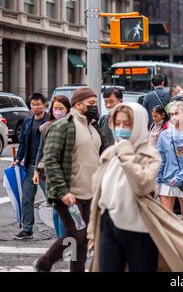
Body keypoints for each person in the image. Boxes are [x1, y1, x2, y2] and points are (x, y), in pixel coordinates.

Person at [87, 102, 183, 272]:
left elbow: (143, 185)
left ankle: (181, 251)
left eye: (127, 124)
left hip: (138, 227)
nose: (121, 129)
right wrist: (92, 230)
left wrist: (126, 154)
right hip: (108, 226)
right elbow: (99, 195)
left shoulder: (148, 154)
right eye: (117, 124)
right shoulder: (110, 153)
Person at [33, 88, 110, 272]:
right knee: (76, 233)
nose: (95, 107)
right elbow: (50, 159)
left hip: (90, 194)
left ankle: (76, 270)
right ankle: (44, 263)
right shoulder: (63, 126)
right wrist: (62, 191)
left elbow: (106, 156)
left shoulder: (94, 127)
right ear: (77, 104)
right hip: (68, 193)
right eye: (90, 103)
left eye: (95, 103)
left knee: (80, 238)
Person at [32, 95, 71, 238]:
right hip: (49, 173)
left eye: (61, 108)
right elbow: (40, 150)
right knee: (56, 209)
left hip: (68, 173)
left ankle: (64, 240)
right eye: (55, 108)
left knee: (64, 209)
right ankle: (60, 239)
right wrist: (36, 170)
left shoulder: (72, 127)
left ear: (68, 110)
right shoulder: (46, 127)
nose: (58, 111)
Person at [12, 93, 49, 240]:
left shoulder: (50, 121)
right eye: (33, 104)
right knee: (27, 198)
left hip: (45, 167)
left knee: (53, 199)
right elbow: (22, 142)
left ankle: (64, 229)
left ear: (44, 105)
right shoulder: (28, 120)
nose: (35, 107)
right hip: (30, 165)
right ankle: (27, 229)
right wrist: (18, 158)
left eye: (38, 104)